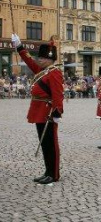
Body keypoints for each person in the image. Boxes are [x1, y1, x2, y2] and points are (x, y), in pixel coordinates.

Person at [12, 33, 63, 184]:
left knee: (50, 144)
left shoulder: (54, 73)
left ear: (49, 59)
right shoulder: (42, 71)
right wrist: (20, 47)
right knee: (44, 143)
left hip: (47, 112)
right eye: (39, 58)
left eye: (42, 58)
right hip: (38, 111)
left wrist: (57, 111)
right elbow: (29, 61)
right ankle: (47, 171)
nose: (39, 60)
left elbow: (58, 94)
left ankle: (54, 174)